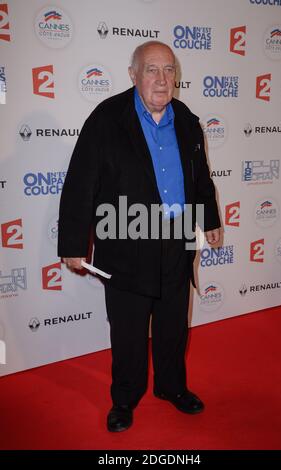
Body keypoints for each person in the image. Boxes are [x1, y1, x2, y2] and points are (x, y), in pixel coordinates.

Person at [58, 41, 221, 432]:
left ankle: (172, 387)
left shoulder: (185, 118)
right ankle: (125, 400)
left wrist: (210, 218)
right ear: (133, 75)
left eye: (168, 70)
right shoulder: (106, 119)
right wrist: (73, 243)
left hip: (178, 240)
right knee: (129, 332)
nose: (162, 79)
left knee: (172, 327)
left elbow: (199, 176)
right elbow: (81, 182)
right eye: (152, 69)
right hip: (127, 242)